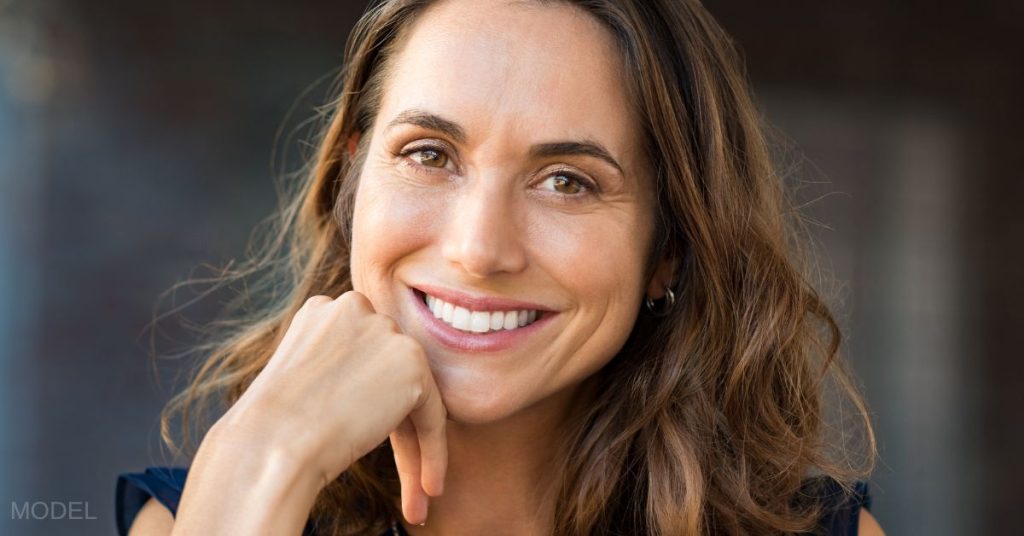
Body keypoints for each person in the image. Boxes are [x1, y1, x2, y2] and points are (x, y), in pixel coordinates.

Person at [117, 0, 884, 534]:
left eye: (567, 181)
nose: (479, 250)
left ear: (667, 251)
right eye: (429, 155)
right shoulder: (202, 519)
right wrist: (264, 455)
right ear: (354, 181)